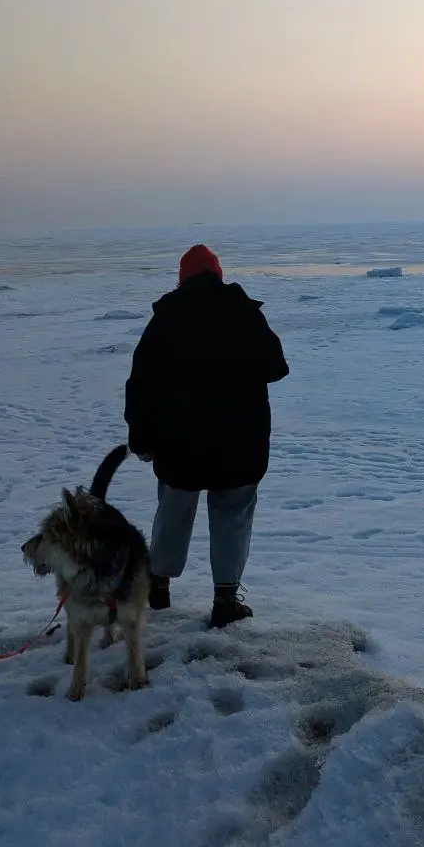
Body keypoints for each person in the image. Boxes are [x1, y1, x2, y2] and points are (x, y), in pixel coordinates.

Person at [124, 244, 289, 627]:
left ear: (182, 278)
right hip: (239, 443)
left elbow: (141, 385)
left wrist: (142, 439)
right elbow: (277, 366)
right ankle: (225, 599)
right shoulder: (243, 312)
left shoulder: (165, 319)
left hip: (180, 444)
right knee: (232, 515)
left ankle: (159, 585)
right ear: (218, 274)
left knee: (173, 511)